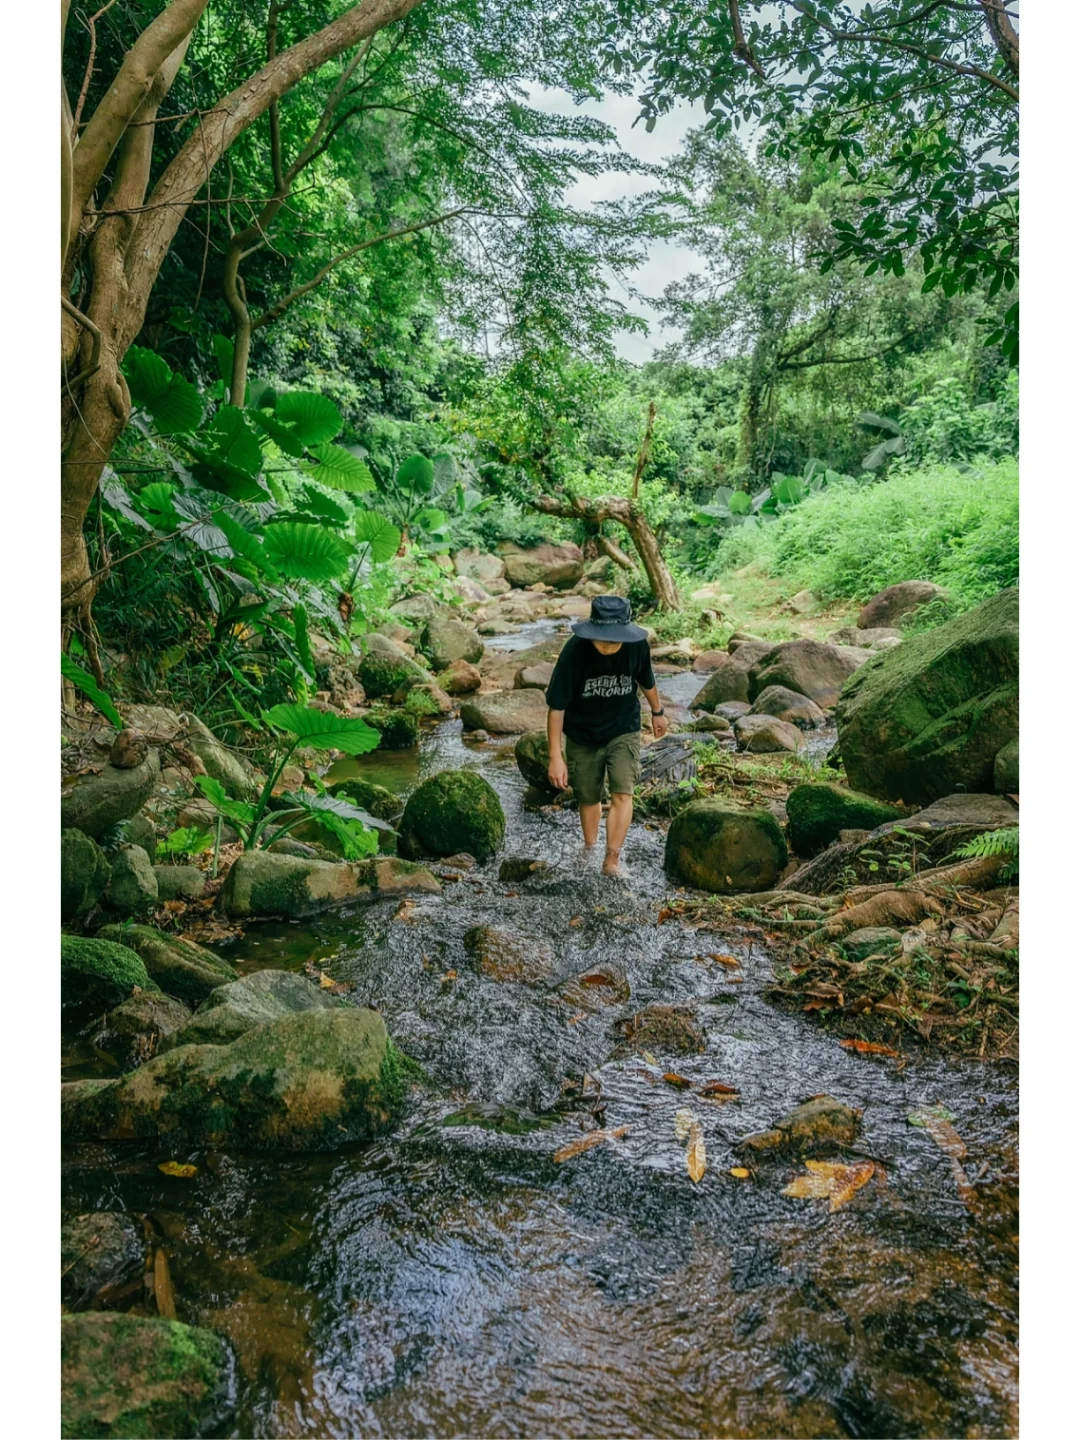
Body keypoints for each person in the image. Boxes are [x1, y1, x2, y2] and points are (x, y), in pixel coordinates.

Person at [545, 594, 669, 875]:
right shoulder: (574, 651)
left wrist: (657, 711)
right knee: (588, 797)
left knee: (623, 791)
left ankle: (611, 859)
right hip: (582, 733)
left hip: (622, 728)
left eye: (614, 640)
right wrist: (556, 756)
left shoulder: (637, 647)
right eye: (602, 639)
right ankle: (590, 849)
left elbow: (646, 680)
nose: (608, 646)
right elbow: (556, 707)